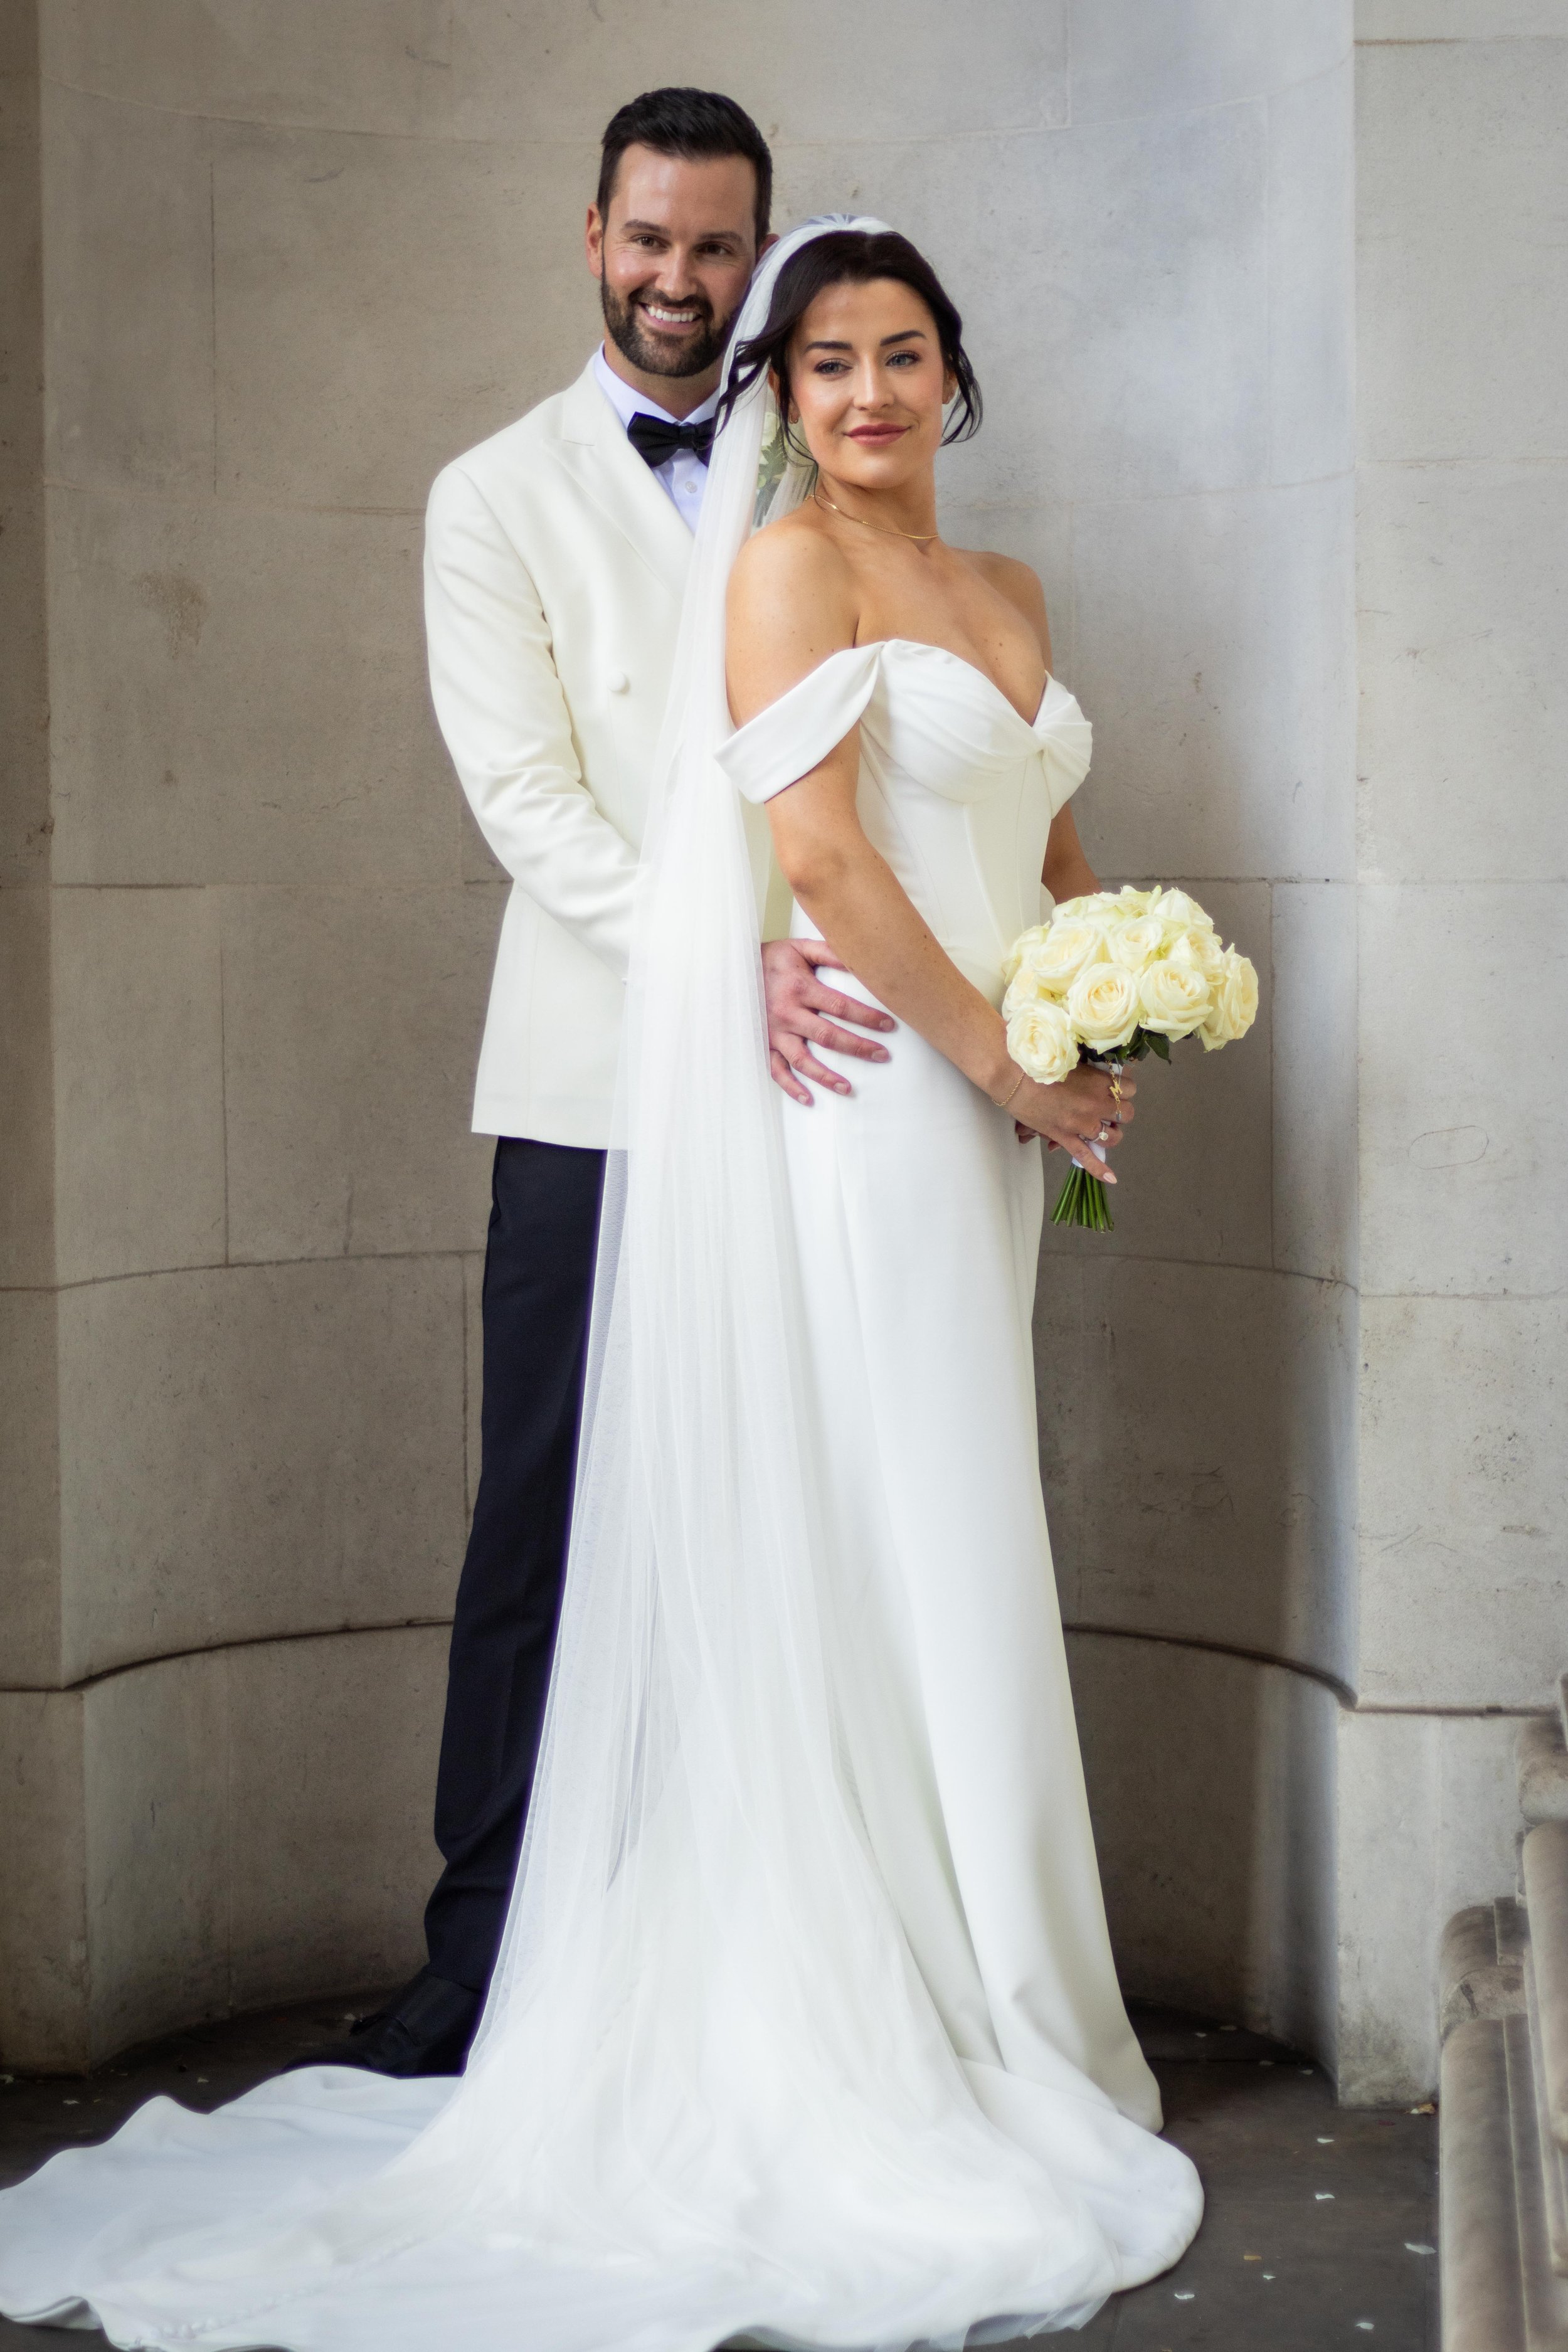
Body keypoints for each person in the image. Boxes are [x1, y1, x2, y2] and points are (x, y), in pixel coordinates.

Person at [0, 218, 1202, 2352]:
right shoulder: (782, 573)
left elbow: (1047, 836)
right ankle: (915, 2006)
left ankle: (989, 1974)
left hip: (997, 1108)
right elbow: (820, 860)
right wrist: (1008, 1060)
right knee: (894, 1521)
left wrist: (1112, 997)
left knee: (950, 1518)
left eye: (899, 355)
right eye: (821, 360)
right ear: (780, 392)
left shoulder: (1010, 595)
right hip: (883, 1100)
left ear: (954, 374)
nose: (861, 394)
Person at [327, 90, 893, 2081]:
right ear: (591, 238)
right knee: (542, 1520)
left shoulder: (809, 453)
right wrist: (710, 965)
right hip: (594, 1079)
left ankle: (759, 1949)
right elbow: (528, 805)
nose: (679, 280)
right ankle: (480, 1953)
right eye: (648, 241)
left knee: (789, 1505)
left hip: (822, 1074)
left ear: (757, 258)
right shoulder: (491, 493)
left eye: (715, 248)